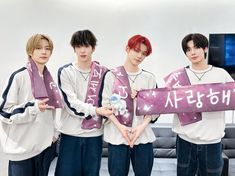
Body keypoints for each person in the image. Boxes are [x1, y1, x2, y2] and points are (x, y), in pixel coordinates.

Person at [171, 33, 234, 176]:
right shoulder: (178, 76)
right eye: (188, 49)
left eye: (197, 47)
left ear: (205, 48)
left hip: (212, 142)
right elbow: (165, 101)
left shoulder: (221, 74)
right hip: (185, 141)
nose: (192, 52)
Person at [0, 34, 62, 176]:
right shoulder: (19, 76)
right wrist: (33, 108)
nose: (44, 52)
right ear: (30, 51)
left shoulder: (49, 79)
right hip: (22, 151)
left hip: (43, 148)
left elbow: (52, 112)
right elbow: (5, 112)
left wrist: (54, 134)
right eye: (38, 48)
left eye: (47, 48)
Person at [55, 29, 113, 176]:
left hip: (94, 136)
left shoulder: (105, 72)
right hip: (70, 135)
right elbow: (71, 104)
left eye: (86, 46)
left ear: (93, 48)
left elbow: (111, 100)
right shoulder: (65, 72)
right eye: (79, 46)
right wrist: (97, 110)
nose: (82, 50)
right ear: (74, 48)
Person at [102, 34, 159, 176]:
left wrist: (141, 127)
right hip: (117, 137)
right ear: (127, 49)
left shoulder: (149, 78)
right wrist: (121, 128)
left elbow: (155, 109)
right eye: (136, 50)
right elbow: (105, 106)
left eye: (144, 53)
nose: (139, 55)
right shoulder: (111, 75)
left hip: (143, 137)